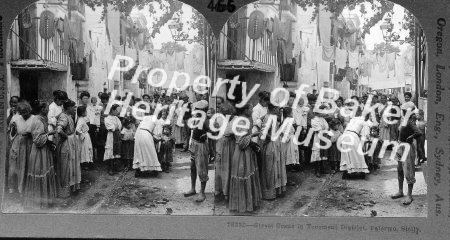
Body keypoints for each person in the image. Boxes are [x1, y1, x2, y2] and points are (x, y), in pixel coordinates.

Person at [23, 100, 57, 209]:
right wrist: (49, 134)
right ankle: (39, 203)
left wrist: (49, 142)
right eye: (47, 108)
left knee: (45, 172)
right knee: (40, 172)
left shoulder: (42, 119)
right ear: (42, 109)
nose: (48, 110)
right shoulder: (38, 121)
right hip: (39, 152)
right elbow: (37, 140)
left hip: (44, 150)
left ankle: (45, 201)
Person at [229, 103, 262, 212]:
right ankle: (243, 205)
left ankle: (247, 203)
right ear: (246, 110)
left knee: (246, 174)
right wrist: (253, 135)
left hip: (246, 151)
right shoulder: (241, 122)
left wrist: (252, 143)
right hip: (242, 154)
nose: (252, 112)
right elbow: (241, 142)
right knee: (243, 174)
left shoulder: (243, 120)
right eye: (250, 109)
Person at [391, 107, 422, 205]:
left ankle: (409, 195)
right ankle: (400, 191)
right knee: (399, 169)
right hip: (400, 145)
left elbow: (418, 132)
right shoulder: (404, 120)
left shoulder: (410, 121)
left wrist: (411, 137)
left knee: (408, 171)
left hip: (407, 147)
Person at [184, 101, 210, 202]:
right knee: (192, 167)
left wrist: (207, 134)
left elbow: (214, 131)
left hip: (201, 146)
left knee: (202, 170)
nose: (197, 111)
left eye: (199, 110)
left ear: (204, 110)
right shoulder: (196, 118)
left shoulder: (206, 120)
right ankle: (193, 188)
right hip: (194, 144)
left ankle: (202, 192)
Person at [260, 104, 286, 200]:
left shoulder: (273, 117)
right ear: (274, 109)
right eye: (278, 109)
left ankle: (277, 190)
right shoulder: (268, 118)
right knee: (270, 168)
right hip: (271, 145)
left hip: (276, 144)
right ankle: (269, 193)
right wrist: (270, 138)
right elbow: (263, 132)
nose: (279, 111)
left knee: (276, 166)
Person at [55, 99, 81, 198]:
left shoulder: (68, 116)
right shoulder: (64, 117)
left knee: (71, 165)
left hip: (71, 143)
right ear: (68, 107)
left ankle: (71, 187)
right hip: (66, 144)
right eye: (73, 107)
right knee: (65, 166)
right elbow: (59, 129)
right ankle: (64, 191)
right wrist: (66, 137)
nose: (75, 109)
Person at [8, 101, 34, 195]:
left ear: (29, 110)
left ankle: (26, 188)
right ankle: (14, 187)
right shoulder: (16, 119)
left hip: (30, 144)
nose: (24, 114)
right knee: (16, 166)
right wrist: (13, 129)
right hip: (19, 144)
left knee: (27, 166)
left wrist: (30, 134)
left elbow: (36, 131)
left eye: (26, 112)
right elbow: (12, 134)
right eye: (22, 113)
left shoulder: (34, 118)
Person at [214, 103, 237, 200]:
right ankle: (220, 190)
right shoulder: (219, 119)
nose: (225, 115)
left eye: (227, 113)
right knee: (220, 168)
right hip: (221, 144)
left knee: (230, 167)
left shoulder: (236, 119)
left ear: (231, 111)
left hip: (232, 145)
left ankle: (228, 192)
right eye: (224, 113)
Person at [310, 105, 329, 177]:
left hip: (324, 137)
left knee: (323, 153)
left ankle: (323, 169)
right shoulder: (314, 120)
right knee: (317, 153)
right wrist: (324, 130)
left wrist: (325, 130)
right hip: (318, 137)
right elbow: (318, 129)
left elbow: (326, 127)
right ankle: (317, 170)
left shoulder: (323, 119)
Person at [104, 104, 122, 175]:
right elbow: (111, 128)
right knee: (111, 151)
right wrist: (116, 127)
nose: (118, 112)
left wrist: (116, 127)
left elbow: (120, 126)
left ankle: (115, 167)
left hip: (117, 135)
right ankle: (110, 168)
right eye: (117, 110)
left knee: (117, 151)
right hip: (111, 136)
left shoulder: (116, 118)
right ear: (112, 110)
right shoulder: (107, 118)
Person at [76, 106, 93, 170]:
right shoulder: (80, 120)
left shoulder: (82, 119)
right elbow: (77, 130)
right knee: (85, 149)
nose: (86, 112)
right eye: (85, 111)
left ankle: (87, 163)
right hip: (84, 137)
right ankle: (84, 164)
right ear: (82, 113)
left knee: (87, 149)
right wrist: (82, 136)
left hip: (86, 135)